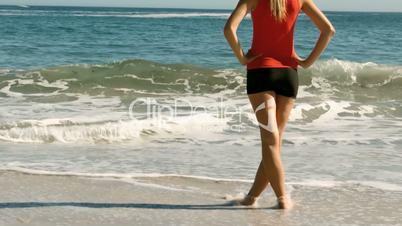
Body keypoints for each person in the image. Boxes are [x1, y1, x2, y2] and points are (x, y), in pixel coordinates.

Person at [224, 0, 335, 209]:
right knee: (273, 143)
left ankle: (283, 199)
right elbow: (328, 30)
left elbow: (229, 28)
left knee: (270, 141)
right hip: (288, 75)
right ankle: (251, 198)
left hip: (260, 73)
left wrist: (242, 58)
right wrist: (307, 62)